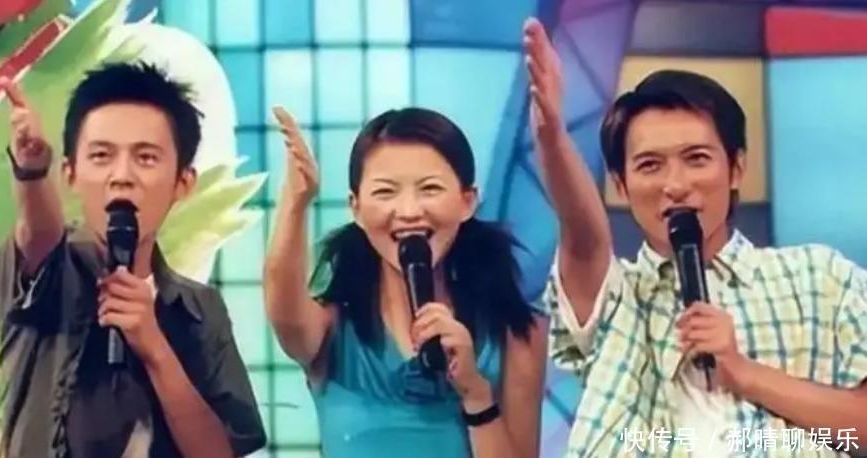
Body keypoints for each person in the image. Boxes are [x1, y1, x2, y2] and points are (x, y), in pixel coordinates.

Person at [523, 18, 867, 457]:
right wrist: (552, 136)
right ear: (621, 186)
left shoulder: (818, 277)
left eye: (697, 158)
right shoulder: (617, 296)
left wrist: (745, 373)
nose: (676, 185)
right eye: (650, 165)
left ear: (736, 168)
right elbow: (583, 237)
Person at [0, 62, 266, 457]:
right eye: (101, 156)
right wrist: (32, 171)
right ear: (70, 173)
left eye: (146, 158)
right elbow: (38, 234)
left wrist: (155, 347)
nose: (122, 176)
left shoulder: (200, 310)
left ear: (183, 182)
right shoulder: (50, 271)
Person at [263, 105, 548, 458]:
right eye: (386, 192)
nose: (409, 211)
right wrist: (296, 202)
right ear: (356, 208)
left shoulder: (517, 335)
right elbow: (284, 310)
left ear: (467, 201)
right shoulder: (331, 330)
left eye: (429, 189)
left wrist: (476, 394)